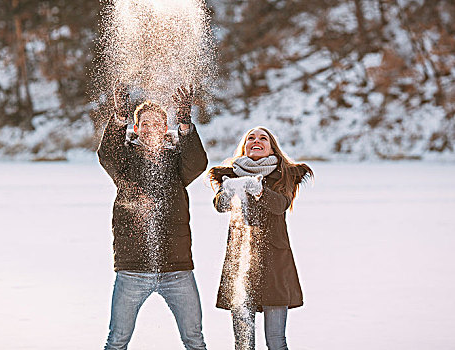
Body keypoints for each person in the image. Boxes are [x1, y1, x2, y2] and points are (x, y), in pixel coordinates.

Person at [97, 85, 208, 350]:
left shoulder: (176, 161)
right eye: (144, 123)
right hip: (132, 269)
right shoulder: (125, 161)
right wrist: (118, 118)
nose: (150, 128)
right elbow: (107, 155)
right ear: (136, 129)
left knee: (194, 340)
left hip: (177, 270)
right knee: (117, 341)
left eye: (156, 123)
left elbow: (198, 163)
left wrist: (185, 125)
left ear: (164, 127)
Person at [207, 127, 313, 350]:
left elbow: (280, 205)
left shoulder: (285, 174)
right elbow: (220, 206)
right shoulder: (232, 175)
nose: (256, 141)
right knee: (243, 344)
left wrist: (258, 190)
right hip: (241, 267)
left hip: (275, 266)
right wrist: (228, 191)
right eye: (250, 138)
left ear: (271, 146)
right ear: (244, 147)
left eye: (263, 138)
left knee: (276, 341)